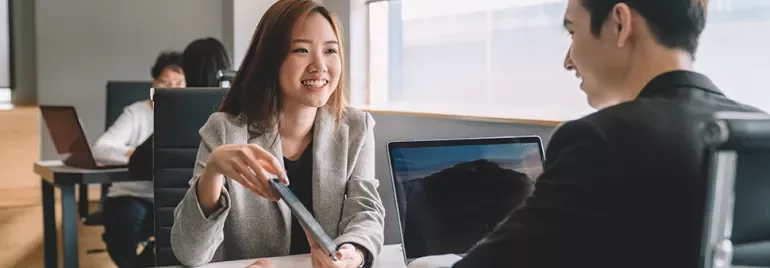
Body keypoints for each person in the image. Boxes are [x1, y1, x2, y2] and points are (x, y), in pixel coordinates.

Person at [451, 0, 766, 267]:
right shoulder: (757, 131)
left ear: (620, 24)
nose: (567, 60)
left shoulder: (602, 140)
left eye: (573, 32)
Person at [170, 1, 385, 268]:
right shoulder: (225, 130)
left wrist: (354, 253)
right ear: (271, 60)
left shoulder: (356, 127)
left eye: (331, 50)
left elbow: (365, 212)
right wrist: (213, 170)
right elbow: (188, 253)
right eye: (301, 50)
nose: (319, 65)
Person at [92, 51, 185, 267]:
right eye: (165, 82)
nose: (172, 89)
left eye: (179, 83)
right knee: (124, 222)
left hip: (174, 196)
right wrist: (136, 154)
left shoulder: (189, 115)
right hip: (133, 194)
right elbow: (100, 149)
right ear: (154, 84)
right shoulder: (136, 113)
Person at [128, 37, 232, 178]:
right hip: (225, 198)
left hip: (182, 198)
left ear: (187, 72)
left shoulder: (180, 111)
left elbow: (137, 164)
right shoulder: (237, 111)